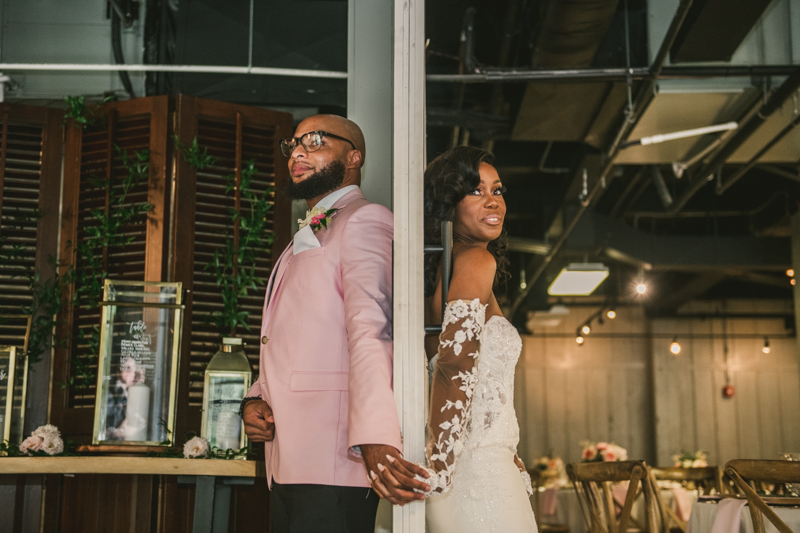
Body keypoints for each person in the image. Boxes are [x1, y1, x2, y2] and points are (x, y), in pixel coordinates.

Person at [240, 114, 429, 533]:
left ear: (354, 156)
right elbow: (291, 338)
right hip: (286, 457)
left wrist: (378, 437)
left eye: (316, 141)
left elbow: (372, 331)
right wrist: (256, 399)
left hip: (334, 457)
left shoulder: (365, 219)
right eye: (294, 144)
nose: (299, 152)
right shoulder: (305, 235)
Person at [420, 146, 537, 532]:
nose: (493, 201)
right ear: (448, 204)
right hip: (473, 472)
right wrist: (439, 469)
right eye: (475, 190)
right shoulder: (474, 261)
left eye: (497, 190)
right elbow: (455, 366)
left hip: (476, 459)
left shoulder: (445, 265)